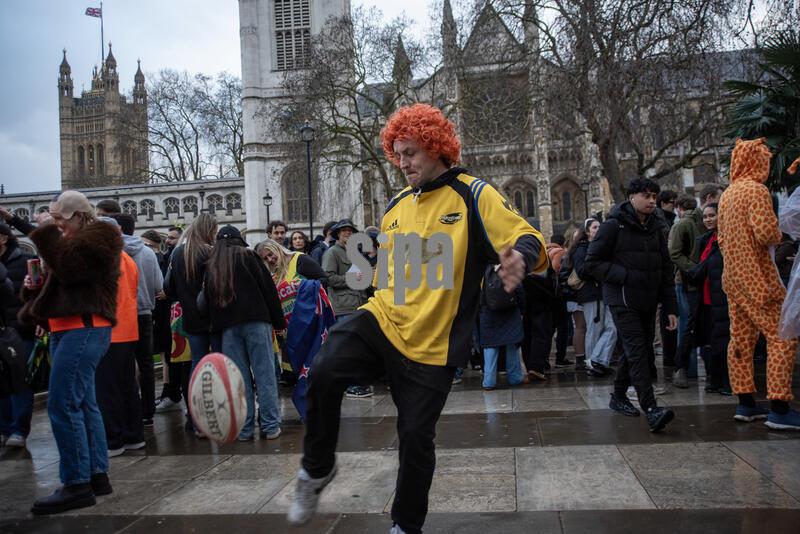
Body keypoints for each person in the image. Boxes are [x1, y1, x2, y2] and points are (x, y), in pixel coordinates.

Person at [286, 103, 547, 533]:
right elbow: (385, 274)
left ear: (436, 147)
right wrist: (362, 274)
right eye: (397, 153)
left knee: (415, 439)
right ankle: (316, 469)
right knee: (326, 366)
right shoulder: (395, 206)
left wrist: (519, 257)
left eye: (410, 153)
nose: (402, 162)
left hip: (434, 346)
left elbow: (525, 235)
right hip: (385, 318)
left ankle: (405, 526)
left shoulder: (473, 194)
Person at [19, 191, 120, 514]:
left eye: (61, 221)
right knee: (84, 403)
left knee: (63, 404)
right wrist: (33, 288)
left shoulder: (101, 236)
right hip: (69, 328)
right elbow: (64, 279)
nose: (57, 227)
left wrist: (46, 232)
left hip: (84, 328)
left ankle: (76, 483)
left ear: (79, 215)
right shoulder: (73, 242)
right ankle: (95, 475)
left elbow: (73, 269)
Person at [584, 178, 678, 432]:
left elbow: (665, 268)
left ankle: (617, 396)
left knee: (637, 348)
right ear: (631, 196)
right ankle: (651, 409)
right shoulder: (614, 226)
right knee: (638, 351)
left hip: (647, 299)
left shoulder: (656, 227)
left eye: (654, 196)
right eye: (646, 196)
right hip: (623, 299)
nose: (651, 201)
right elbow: (591, 263)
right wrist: (624, 275)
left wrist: (670, 307)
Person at [717, 138, 799, 429]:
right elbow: (765, 233)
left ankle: (746, 402)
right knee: (783, 337)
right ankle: (779, 406)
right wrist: (781, 234)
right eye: (764, 160)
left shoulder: (727, 195)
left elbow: (722, 238)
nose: (767, 166)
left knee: (740, 340)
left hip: (733, 278)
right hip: (759, 278)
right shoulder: (756, 190)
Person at [203, 225, 286, 440]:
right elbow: (268, 289)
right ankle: (270, 426)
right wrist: (279, 322)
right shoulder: (249, 257)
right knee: (265, 374)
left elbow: (210, 300)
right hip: (257, 321)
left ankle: (245, 428)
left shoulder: (213, 264)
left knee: (239, 380)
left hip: (229, 327)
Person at [164, 213, 219, 436]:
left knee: (196, 367)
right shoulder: (210, 251)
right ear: (209, 230)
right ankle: (216, 415)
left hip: (191, 317)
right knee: (217, 366)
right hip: (213, 317)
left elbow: (169, 288)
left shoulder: (178, 253)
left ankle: (197, 421)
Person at [93, 217, 143, 457]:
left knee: (107, 389)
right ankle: (134, 436)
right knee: (128, 387)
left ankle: (113, 440)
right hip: (128, 329)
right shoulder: (128, 259)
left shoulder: (104, 260)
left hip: (108, 330)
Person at [110, 214, 163, 426]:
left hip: (121, 314)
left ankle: (127, 410)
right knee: (146, 362)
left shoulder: (114, 253)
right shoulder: (148, 252)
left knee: (123, 365)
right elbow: (159, 284)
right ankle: (148, 410)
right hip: (144, 313)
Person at [321, 218, 372, 398]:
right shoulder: (332, 253)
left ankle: (356, 383)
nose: (348, 233)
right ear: (337, 234)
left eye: (350, 231)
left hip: (358, 304)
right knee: (346, 348)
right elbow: (327, 277)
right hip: (343, 306)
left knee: (356, 347)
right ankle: (349, 385)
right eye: (344, 231)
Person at [687, 203, 731, 395]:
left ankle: (726, 381)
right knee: (710, 341)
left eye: (712, 215)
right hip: (705, 298)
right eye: (705, 216)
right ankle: (714, 380)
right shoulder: (705, 239)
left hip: (721, 298)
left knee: (722, 342)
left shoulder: (726, 239)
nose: (708, 220)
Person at [0, 223, 36, 448]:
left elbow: (35, 292)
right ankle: (3, 428)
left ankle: (19, 430)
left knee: (21, 381)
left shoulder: (24, 260)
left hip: (22, 328)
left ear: (3, 238)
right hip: (1, 330)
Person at [574, 218, 617, 377]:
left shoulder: (602, 247)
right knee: (594, 329)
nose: (598, 229)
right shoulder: (581, 249)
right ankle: (592, 362)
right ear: (587, 231)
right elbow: (581, 271)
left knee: (612, 327)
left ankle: (598, 360)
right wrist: (599, 270)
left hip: (604, 292)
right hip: (590, 294)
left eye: (600, 226)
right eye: (594, 227)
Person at [478, 265, 526, 390]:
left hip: (488, 313)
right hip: (510, 312)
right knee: (512, 345)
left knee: (490, 346)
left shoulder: (482, 267)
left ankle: (489, 381)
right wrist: (522, 310)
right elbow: (519, 290)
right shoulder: (510, 267)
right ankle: (515, 378)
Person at [558, 228, 588, 370]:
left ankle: (581, 357)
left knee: (580, 327)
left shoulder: (569, 254)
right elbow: (565, 277)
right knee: (580, 327)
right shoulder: (572, 255)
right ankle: (580, 357)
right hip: (576, 295)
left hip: (574, 295)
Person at [546, 235, 571, 367]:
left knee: (549, 328)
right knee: (563, 327)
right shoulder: (559, 252)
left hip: (547, 294)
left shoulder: (545, 251)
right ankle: (560, 358)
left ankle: (545, 358)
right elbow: (557, 270)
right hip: (558, 295)